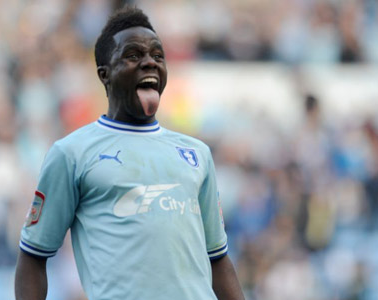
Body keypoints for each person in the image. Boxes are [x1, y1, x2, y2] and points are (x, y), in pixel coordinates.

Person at [14, 6, 245, 300]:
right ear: (104, 74)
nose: (150, 63)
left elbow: (218, 258)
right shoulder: (71, 153)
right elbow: (33, 255)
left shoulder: (196, 153)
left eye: (158, 56)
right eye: (134, 55)